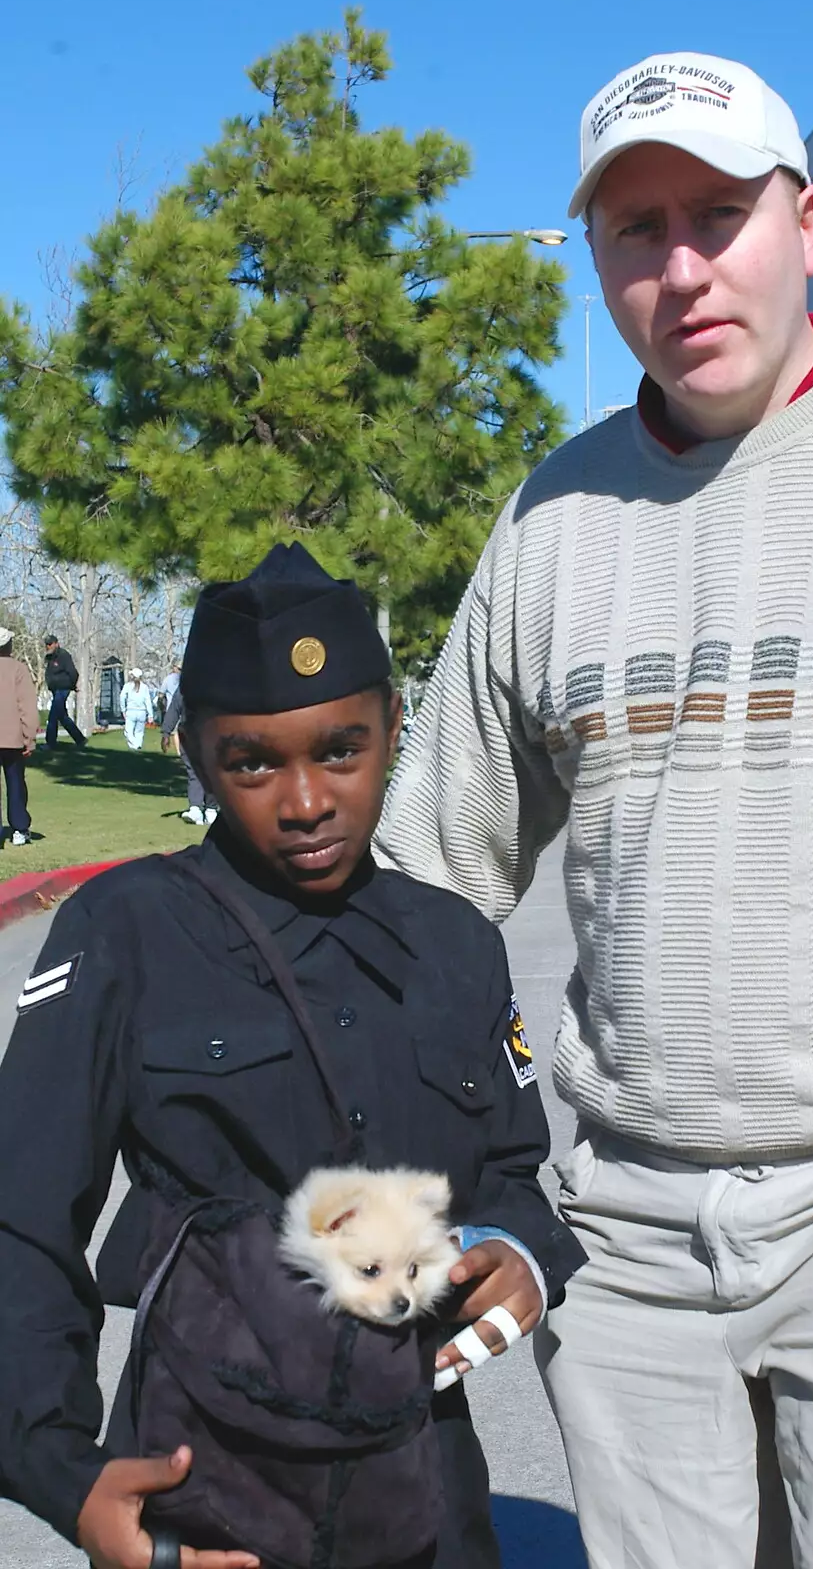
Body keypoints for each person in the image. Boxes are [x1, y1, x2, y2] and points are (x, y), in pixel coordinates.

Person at [375, 49, 813, 1569]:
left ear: (805, 222)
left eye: (718, 214)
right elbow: (430, 875)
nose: (679, 268)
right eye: (635, 231)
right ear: (596, 262)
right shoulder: (554, 520)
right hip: (621, 1233)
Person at [0, 542, 584, 1569]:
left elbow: (509, 1172)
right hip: (205, 1483)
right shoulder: (126, 930)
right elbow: (21, 1216)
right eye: (253, 762)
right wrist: (61, 1466)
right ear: (196, 752)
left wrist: (517, 1255)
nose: (306, 798)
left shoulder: (452, 944)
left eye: (341, 749)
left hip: (421, 1481)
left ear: (394, 726)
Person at [160, 683, 218, 826]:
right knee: (194, 771)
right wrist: (166, 732)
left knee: (210, 772)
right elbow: (175, 707)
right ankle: (196, 808)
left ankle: (211, 809)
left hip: (211, 734)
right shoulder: (186, 686)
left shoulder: (218, 684)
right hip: (189, 734)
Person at [0, 626, 37, 848]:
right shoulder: (19, 669)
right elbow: (27, 708)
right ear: (8, 646)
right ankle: (19, 829)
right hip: (13, 738)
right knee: (15, 784)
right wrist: (29, 737)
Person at [43, 634, 86, 748]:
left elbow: (73, 672)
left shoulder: (63, 655)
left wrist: (72, 685)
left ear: (56, 643)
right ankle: (80, 739)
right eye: (47, 644)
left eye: (50, 644)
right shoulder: (50, 657)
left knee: (53, 715)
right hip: (55, 690)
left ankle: (50, 743)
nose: (48, 646)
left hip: (63, 689)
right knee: (62, 716)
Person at [119, 667, 153, 750]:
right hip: (142, 712)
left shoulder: (127, 686)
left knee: (128, 732)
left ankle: (134, 746)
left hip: (131, 711)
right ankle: (137, 746)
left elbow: (122, 697)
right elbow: (148, 701)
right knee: (139, 732)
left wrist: (123, 709)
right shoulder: (144, 687)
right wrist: (150, 715)